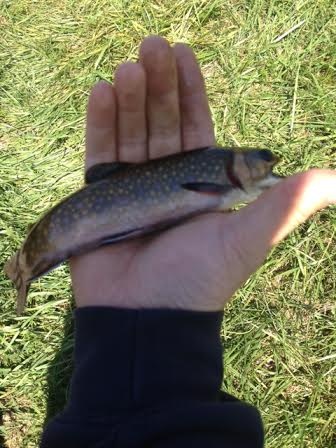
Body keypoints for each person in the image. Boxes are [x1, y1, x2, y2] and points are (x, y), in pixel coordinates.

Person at [40, 36, 336, 447]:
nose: (269, 166)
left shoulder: (221, 176)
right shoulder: (220, 174)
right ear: (239, 166)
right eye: (262, 160)